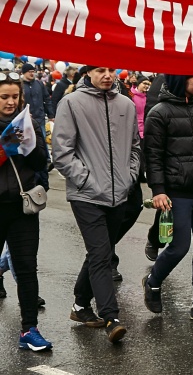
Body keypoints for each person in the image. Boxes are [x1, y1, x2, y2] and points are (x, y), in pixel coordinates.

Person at [51, 66, 141, 343]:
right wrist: (86, 180)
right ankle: (111, 318)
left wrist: (129, 177)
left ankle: (80, 304)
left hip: (119, 194)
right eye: (100, 70)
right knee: (102, 254)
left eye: (111, 70)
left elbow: (135, 148)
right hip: (86, 196)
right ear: (87, 73)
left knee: (99, 251)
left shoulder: (126, 104)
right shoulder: (71, 102)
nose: (107, 75)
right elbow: (61, 152)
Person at [143, 75, 193, 322]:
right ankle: (153, 282)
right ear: (181, 80)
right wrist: (158, 190)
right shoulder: (159, 113)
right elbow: (153, 156)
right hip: (176, 195)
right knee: (179, 247)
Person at [0, 73, 52, 351]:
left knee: (27, 268)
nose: (11, 102)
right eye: (4, 97)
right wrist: (5, 146)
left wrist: (26, 144)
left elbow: (42, 161)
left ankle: (29, 329)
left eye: (15, 96)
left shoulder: (27, 122)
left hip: (23, 208)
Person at [20, 63, 51, 190]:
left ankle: (45, 160)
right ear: (24, 73)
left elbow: (46, 98)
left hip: (39, 117)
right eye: (29, 71)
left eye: (33, 71)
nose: (32, 73)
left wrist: (51, 113)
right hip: (26, 120)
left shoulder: (39, 84)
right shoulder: (21, 85)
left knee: (41, 140)